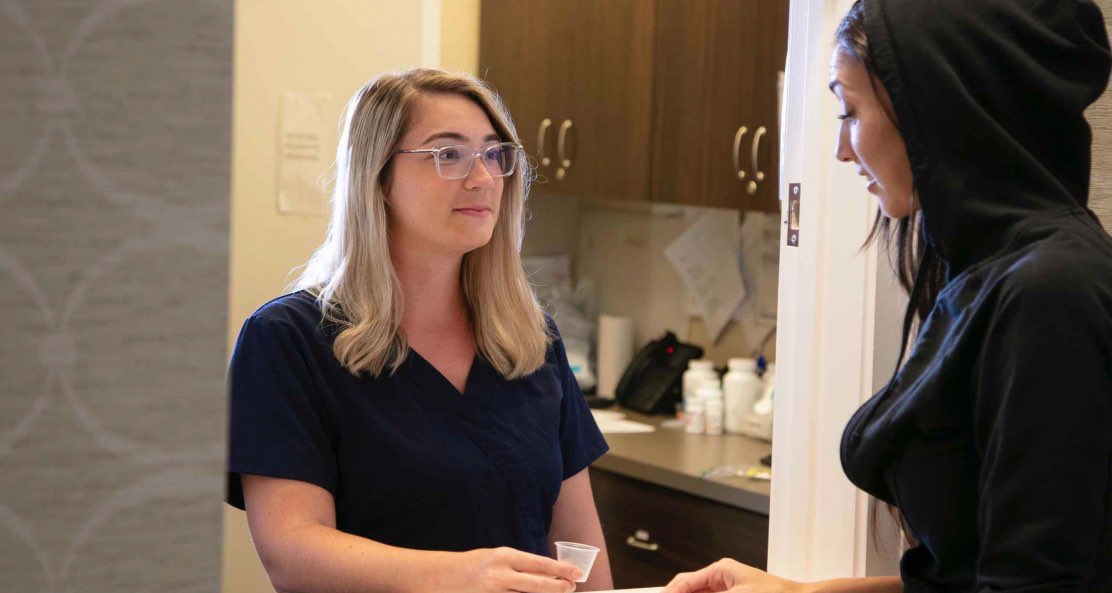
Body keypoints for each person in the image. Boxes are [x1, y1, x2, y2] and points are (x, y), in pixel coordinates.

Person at [665, 0, 1112, 592]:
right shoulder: (986, 278)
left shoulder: (1050, 296)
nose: (841, 150)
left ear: (936, 107)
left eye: (849, 111)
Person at [226, 69, 613, 593]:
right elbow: (292, 552)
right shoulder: (287, 341)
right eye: (447, 155)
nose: (482, 178)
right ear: (378, 178)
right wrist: (461, 575)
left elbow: (579, 548)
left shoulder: (527, 339)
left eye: (495, 153)